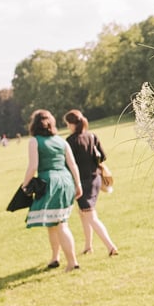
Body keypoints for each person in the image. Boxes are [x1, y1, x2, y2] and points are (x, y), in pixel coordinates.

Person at [23, 109, 82, 272]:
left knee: (60, 223)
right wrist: (78, 184)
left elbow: (33, 166)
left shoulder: (34, 141)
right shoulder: (61, 141)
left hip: (50, 182)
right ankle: (55, 258)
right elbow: (72, 165)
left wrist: (25, 184)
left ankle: (72, 262)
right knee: (53, 222)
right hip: (66, 181)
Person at [63, 110, 118, 257]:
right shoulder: (92, 136)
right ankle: (88, 246)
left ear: (72, 124)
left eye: (68, 124)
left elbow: (67, 164)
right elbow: (102, 157)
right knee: (84, 214)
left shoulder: (70, 141)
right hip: (95, 179)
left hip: (82, 184)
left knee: (90, 216)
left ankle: (111, 246)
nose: (67, 126)